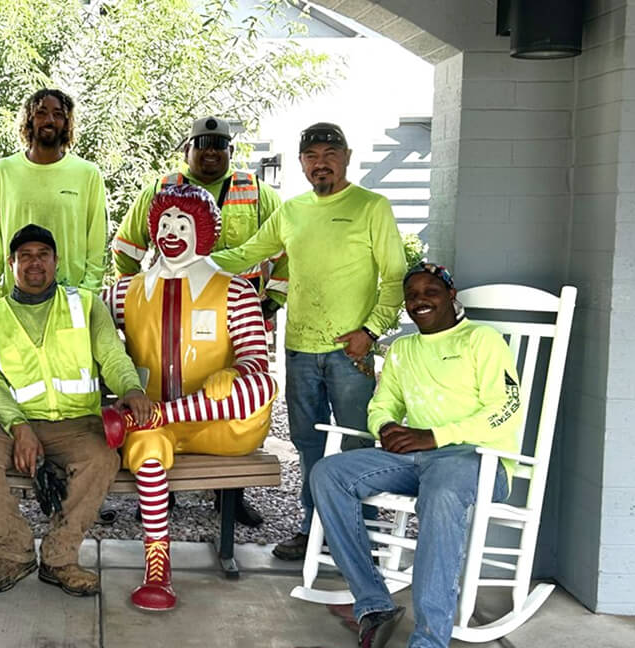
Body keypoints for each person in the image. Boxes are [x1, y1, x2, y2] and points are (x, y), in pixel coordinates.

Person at [212, 122, 407, 561]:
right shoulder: (292, 210)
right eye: (312, 156)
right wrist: (191, 262)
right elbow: (247, 254)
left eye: (329, 154)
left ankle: (366, 535)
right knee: (308, 444)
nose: (321, 163)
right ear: (302, 163)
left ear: (347, 157)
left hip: (350, 352)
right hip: (299, 349)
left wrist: (371, 331)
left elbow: (395, 277)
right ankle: (311, 527)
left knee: (359, 442)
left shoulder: (371, 207)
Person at [309, 264, 524, 648]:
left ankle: (428, 641)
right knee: (329, 474)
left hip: (477, 460)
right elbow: (382, 403)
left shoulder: (481, 340)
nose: (419, 300)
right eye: (412, 295)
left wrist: (435, 435)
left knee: (441, 494)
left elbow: (505, 410)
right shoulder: (403, 350)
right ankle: (374, 605)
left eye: (431, 291)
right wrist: (385, 427)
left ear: (451, 295)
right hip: (418, 458)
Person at [102, 185, 278, 611]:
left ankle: (142, 418)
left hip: (220, 424)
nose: (172, 232)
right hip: (157, 429)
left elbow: (257, 358)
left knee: (261, 390)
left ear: (203, 231)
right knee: (146, 450)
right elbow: (88, 336)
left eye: (183, 224)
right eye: (164, 223)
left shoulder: (235, 291)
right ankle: (157, 568)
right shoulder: (125, 291)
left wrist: (235, 371)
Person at [0, 224, 152, 596]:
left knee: (103, 457)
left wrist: (130, 387)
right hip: (9, 424)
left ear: (56, 261)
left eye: (43, 255)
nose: (34, 263)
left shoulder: (87, 305)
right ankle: (14, 553)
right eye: (25, 256)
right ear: (11, 263)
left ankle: (60, 558)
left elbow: (111, 355)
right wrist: (19, 428)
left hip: (76, 423)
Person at [113, 115, 287, 527]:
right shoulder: (158, 189)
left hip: (235, 314)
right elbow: (126, 246)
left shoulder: (256, 191)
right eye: (202, 143)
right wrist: (136, 294)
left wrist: (272, 299)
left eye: (219, 145)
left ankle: (229, 499)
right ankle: (159, 497)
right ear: (187, 149)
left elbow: (285, 247)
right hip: (164, 318)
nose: (211, 152)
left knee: (242, 386)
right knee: (152, 431)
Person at [0, 88, 107, 302]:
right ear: (29, 120)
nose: (49, 120)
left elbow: (96, 243)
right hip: (16, 300)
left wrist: (87, 295)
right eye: (41, 113)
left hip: (71, 299)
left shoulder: (87, 174)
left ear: (67, 124)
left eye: (58, 114)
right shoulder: (3, 171)